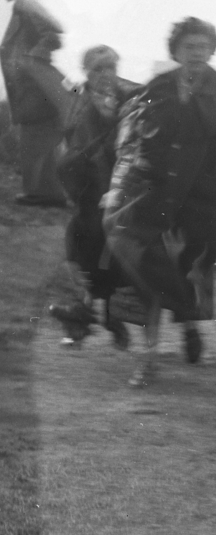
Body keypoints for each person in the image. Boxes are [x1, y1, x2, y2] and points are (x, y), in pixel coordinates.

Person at [102, 18, 216, 385]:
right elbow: (132, 141)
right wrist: (120, 186)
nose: (197, 53)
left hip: (197, 201)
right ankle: (149, 358)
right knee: (148, 276)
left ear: (212, 51)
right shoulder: (156, 87)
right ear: (176, 51)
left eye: (203, 47)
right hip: (152, 195)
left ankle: (189, 325)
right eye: (190, 46)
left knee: (186, 273)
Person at [49, 45, 140, 348]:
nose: (104, 75)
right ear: (86, 72)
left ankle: (100, 318)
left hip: (118, 188)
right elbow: (69, 136)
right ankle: (89, 317)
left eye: (109, 68)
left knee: (112, 255)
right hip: (88, 187)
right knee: (83, 249)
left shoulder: (131, 96)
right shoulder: (79, 97)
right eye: (97, 69)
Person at [0, 0, 71, 206]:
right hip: (25, 88)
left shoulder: (26, 6)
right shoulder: (18, 10)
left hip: (34, 87)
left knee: (39, 136)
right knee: (33, 140)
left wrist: (33, 60)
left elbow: (53, 34)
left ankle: (48, 194)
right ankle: (39, 191)